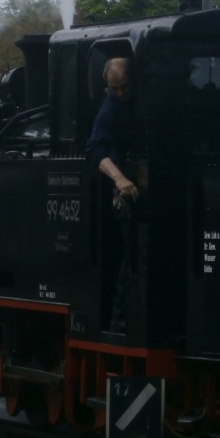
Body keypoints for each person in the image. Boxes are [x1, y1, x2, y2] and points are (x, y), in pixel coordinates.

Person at [86, 56, 137, 332]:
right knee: (131, 253)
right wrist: (119, 179)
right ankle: (120, 318)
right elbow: (95, 150)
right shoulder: (110, 108)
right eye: (113, 88)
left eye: (124, 87)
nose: (119, 94)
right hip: (127, 189)